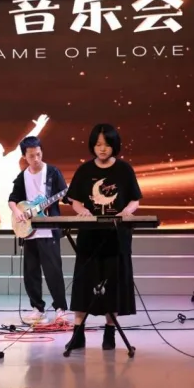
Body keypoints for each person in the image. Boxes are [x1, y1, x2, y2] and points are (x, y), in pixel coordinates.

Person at [64, 123, 142, 352]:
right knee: (84, 284)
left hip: (116, 236)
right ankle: (78, 333)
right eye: (98, 144)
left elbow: (135, 199)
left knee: (113, 283)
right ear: (92, 146)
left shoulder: (124, 170)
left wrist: (127, 210)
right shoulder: (84, 170)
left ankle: (110, 333)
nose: (102, 148)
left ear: (114, 145)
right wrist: (82, 211)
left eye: (107, 144)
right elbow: (75, 200)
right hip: (89, 237)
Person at [7, 136, 68, 324]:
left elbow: (65, 195)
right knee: (31, 272)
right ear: (24, 157)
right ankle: (37, 308)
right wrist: (17, 211)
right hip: (29, 231)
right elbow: (12, 199)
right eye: (32, 156)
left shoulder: (53, 172)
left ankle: (60, 309)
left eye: (39, 154)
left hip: (48, 230)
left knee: (53, 271)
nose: (36, 159)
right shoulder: (22, 176)